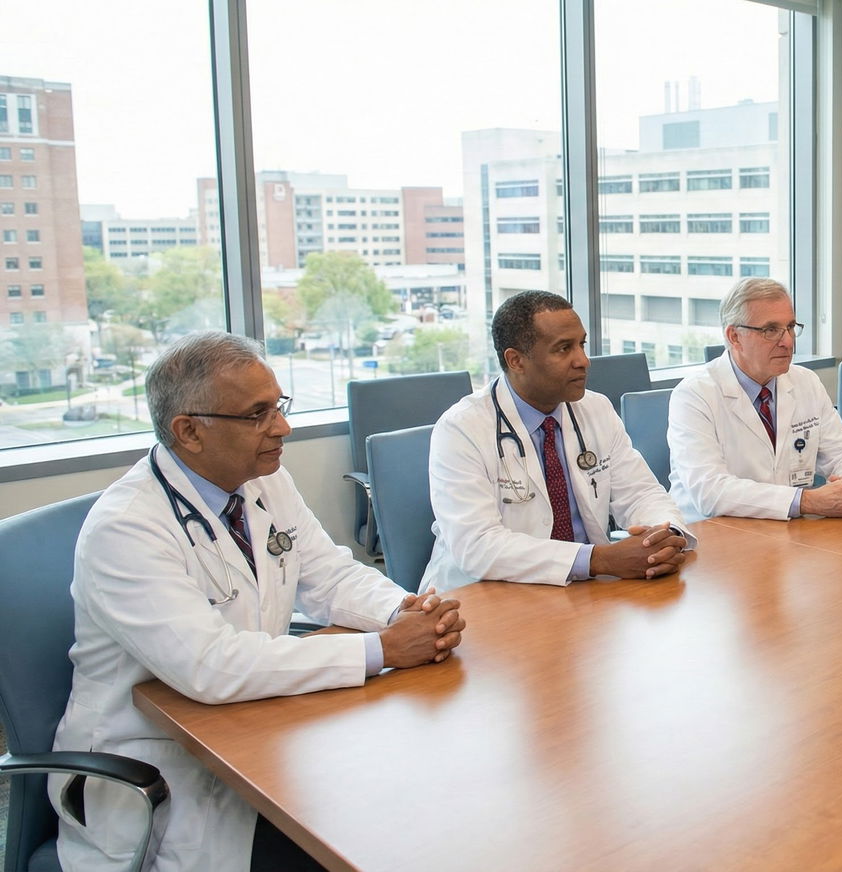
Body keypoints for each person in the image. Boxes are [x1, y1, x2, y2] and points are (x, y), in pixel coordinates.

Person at [53, 332, 465, 872]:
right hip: (160, 770)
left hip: (257, 734)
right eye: (257, 414)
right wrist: (383, 648)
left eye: (278, 406)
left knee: (419, 807)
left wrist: (406, 610)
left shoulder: (262, 482)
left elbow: (331, 575)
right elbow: (210, 667)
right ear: (189, 431)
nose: (283, 427)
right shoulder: (126, 529)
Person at [423, 290, 693, 590]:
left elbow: (641, 494)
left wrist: (665, 536)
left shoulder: (595, 408)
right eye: (563, 349)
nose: (583, 361)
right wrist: (598, 560)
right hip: (486, 592)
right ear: (516, 360)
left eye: (582, 344)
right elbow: (477, 547)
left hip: (587, 589)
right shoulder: (461, 429)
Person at [668, 277, 842, 520]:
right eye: (771, 330)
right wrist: (808, 501)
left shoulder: (805, 382)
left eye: (791, 327)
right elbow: (710, 491)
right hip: (714, 535)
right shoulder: (694, 395)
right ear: (734, 337)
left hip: (786, 531)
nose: (788, 342)